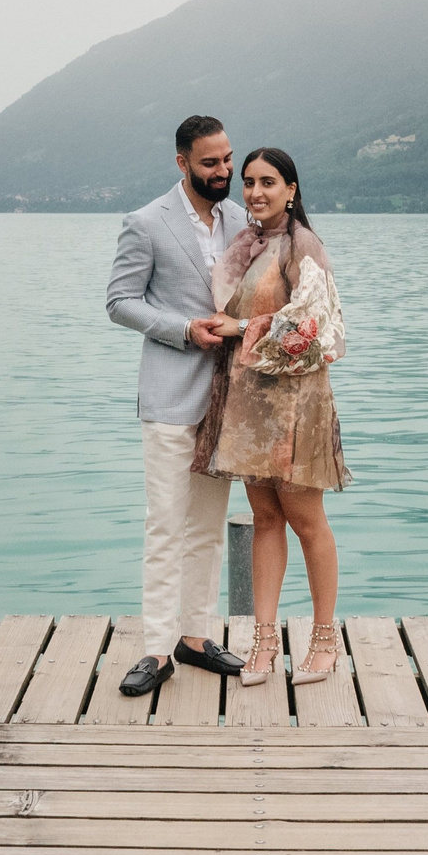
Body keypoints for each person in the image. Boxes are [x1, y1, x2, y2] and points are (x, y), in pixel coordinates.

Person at [103, 114, 251, 696]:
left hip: (227, 398)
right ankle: (157, 650)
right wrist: (184, 329)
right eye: (210, 162)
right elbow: (119, 301)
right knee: (165, 525)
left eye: (228, 159)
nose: (223, 171)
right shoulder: (145, 222)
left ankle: (194, 637)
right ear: (182, 162)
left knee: (208, 528)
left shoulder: (242, 219)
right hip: (169, 395)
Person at [193, 147, 349, 686]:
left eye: (268, 182)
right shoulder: (246, 243)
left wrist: (240, 329)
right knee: (264, 519)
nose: (255, 192)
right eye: (249, 182)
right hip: (249, 403)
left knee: (307, 521)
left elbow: (316, 327)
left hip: (296, 403)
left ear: (291, 189)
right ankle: (263, 642)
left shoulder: (304, 245)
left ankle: (325, 641)